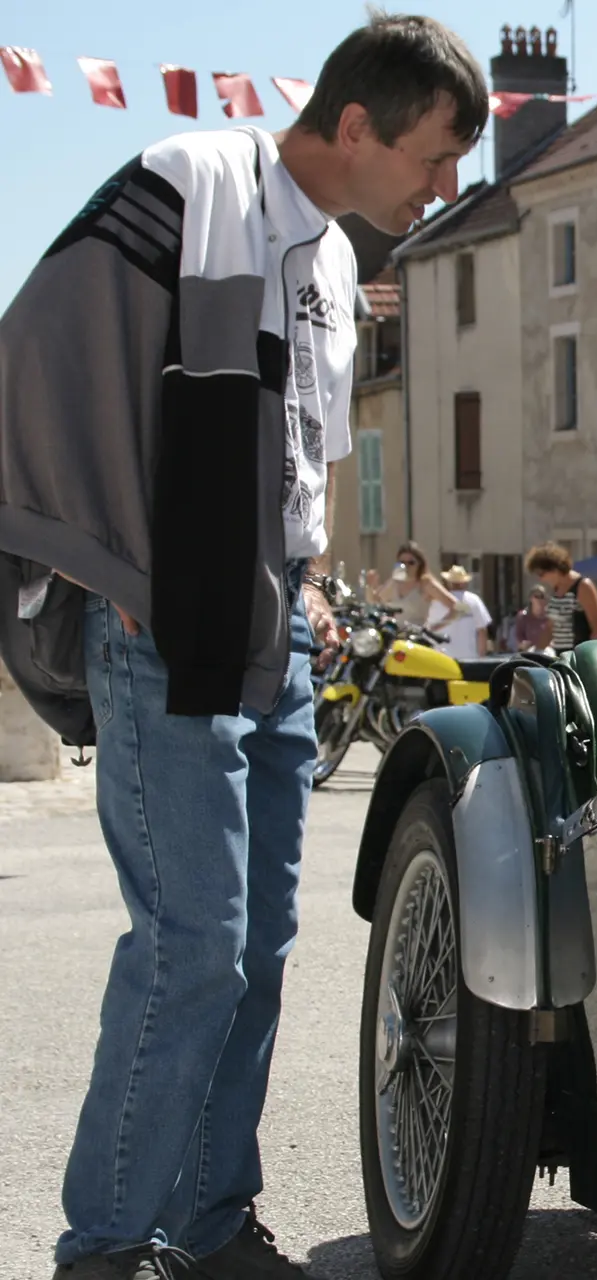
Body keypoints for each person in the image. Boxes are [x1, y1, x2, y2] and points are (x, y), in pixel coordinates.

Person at [0, 15, 485, 1280]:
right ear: (358, 123)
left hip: (277, 641)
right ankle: (105, 1246)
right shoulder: (188, 180)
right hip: (164, 629)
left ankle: (211, 1224)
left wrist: (315, 583)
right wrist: (110, 561)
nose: (447, 189)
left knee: (260, 949)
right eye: (437, 157)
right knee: (191, 944)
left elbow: (300, 468)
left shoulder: (330, 259)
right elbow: (39, 355)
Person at [524, 542, 597, 652]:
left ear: (554, 569)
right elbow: (550, 628)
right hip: (561, 656)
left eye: (541, 574)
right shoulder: (556, 590)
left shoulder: (583, 586)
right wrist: (535, 652)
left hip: (578, 656)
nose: (541, 579)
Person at [364, 538, 459, 628]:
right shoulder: (395, 581)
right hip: (396, 637)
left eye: (411, 563)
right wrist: (370, 585)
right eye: (402, 562)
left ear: (419, 564)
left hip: (417, 638)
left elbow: (457, 608)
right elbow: (374, 601)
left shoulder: (425, 583)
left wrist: (434, 627)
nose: (406, 566)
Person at [436, 564, 491, 661]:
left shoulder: (438, 601)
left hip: (443, 658)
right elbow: (482, 631)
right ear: (464, 582)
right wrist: (482, 657)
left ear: (449, 582)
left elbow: (430, 629)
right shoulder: (474, 600)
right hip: (469, 658)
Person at [513, 584, 556, 653]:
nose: (539, 599)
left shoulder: (549, 616)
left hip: (546, 651)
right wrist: (524, 644)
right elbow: (519, 638)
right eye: (536, 596)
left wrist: (551, 643)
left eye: (542, 596)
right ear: (531, 598)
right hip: (529, 652)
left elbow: (554, 636)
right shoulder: (523, 616)